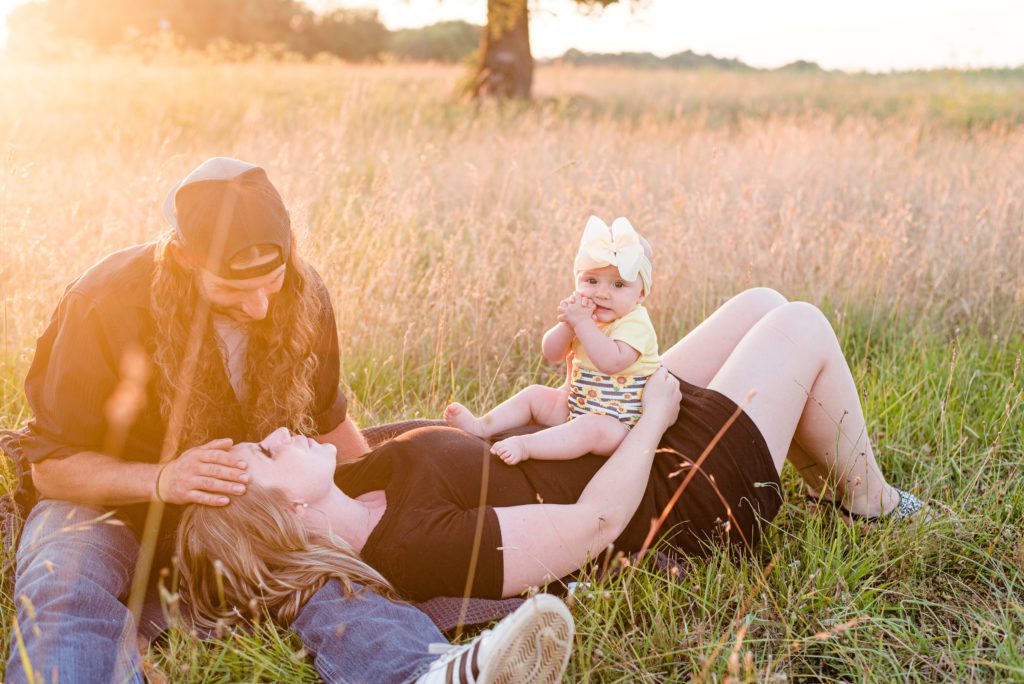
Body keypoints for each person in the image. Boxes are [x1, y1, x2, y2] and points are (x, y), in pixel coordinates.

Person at [8, 157, 567, 684]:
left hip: (245, 503)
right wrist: (162, 480)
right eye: (232, 289)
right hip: (111, 499)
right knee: (64, 577)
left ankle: (421, 673)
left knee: (323, 571)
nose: (257, 307)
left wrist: (365, 506)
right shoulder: (103, 304)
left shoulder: (303, 294)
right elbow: (52, 468)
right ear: (184, 258)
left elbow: (327, 421)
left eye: (269, 282)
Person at [178, 288, 927, 613]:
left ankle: (802, 454)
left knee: (759, 305)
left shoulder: (353, 473)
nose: (277, 433)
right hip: (670, 499)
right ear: (287, 512)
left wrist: (562, 406)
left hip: (613, 439)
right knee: (798, 325)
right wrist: (652, 417)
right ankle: (872, 505)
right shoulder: (414, 545)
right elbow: (596, 525)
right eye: (267, 456)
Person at [445, 215, 660, 465]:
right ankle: (481, 426)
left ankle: (526, 446)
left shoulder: (635, 323)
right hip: (575, 407)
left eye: (618, 285)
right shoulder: (583, 315)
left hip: (619, 427)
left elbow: (611, 362)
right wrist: (568, 325)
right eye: (591, 281)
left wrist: (582, 323)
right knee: (535, 394)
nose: (601, 293)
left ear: (640, 295)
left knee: (591, 427)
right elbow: (551, 352)